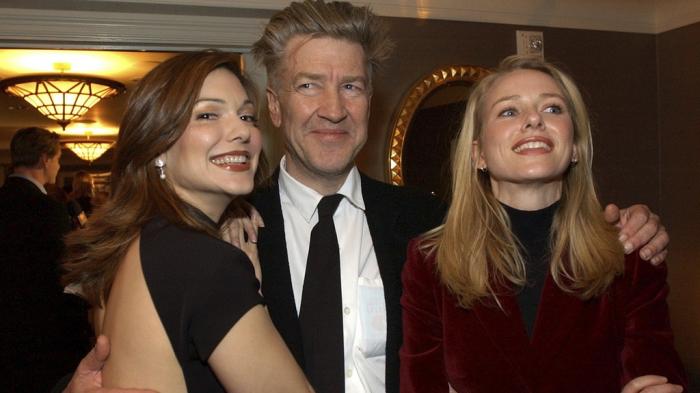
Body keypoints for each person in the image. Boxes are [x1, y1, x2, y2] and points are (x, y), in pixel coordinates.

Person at [62, 2, 671, 393]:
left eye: (351, 86)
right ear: (274, 107)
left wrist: (625, 224)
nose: (333, 108)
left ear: (370, 103)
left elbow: (545, 288)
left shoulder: (433, 229)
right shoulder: (227, 236)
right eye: (309, 86)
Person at [399, 55, 687, 392]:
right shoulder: (431, 262)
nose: (534, 119)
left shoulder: (629, 252)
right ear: (478, 155)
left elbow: (658, 378)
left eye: (552, 109)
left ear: (576, 147)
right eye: (509, 111)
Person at [61, 51, 312, 392]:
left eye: (248, 116)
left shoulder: (142, 243)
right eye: (208, 114)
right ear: (157, 146)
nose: (242, 130)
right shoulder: (205, 261)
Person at [0, 127, 91, 392]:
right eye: (58, 159)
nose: (58, 166)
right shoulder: (48, 208)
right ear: (44, 159)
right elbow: (63, 270)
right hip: (41, 329)